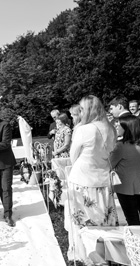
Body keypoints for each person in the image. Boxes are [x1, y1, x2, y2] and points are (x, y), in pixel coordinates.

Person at [65, 95, 118, 263]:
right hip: (103, 180)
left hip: (82, 180)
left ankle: (91, 258)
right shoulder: (111, 128)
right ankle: (105, 256)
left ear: (87, 110)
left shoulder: (83, 129)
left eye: (81, 109)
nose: (80, 112)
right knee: (103, 223)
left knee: (83, 224)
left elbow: (73, 157)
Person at [109, 115, 140, 225]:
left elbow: (109, 165)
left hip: (126, 189)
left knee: (132, 220)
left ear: (127, 128)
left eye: (119, 124)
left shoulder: (120, 146)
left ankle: (135, 241)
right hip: (134, 187)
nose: (116, 126)